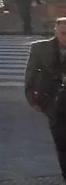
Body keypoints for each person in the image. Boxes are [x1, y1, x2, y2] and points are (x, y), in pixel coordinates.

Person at [25, 17, 66, 179]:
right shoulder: (40, 48)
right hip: (54, 104)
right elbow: (31, 74)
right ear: (55, 31)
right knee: (62, 145)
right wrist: (32, 98)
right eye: (63, 32)